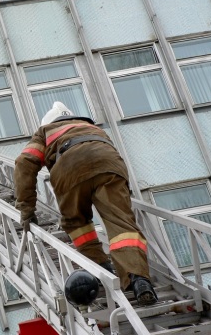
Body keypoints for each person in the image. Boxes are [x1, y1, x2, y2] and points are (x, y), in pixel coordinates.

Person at [13, 101, 158, 306]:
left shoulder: (45, 131)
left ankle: (102, 269)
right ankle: (139, 280)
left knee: (77, 222)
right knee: (122, 224)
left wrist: (27, 210)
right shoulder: (93, 127)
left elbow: (24, 163)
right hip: (109, 164)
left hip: (70, 166)